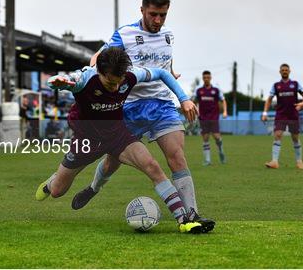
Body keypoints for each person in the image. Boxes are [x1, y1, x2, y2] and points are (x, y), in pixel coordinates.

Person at [35, 47, 214, 233]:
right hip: (87, 139)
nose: (115, 87)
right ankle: (51, 182)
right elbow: (59, 81)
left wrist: (183, 98)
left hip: (117, 134)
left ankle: (184, 221)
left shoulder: (130, 75)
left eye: (118, 82)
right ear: (99, 71)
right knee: (58, 191)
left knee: (152, 166)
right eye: (110, 83)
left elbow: (161, 73)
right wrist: (58, 82)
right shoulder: (85, 78)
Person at [74, 0, 207, 222]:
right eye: (153, 14)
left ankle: (192, 215)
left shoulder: (168, 35)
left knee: (177, 156)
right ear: (142, 10)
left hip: (162, 106)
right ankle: (94, 188)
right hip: (129, 107)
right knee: (111, 162)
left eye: (163, 15)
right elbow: (101, 57)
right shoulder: (125, 34)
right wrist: (90, 71)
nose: (158, 20)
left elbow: (165, 62)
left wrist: (173, 75)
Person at [261, 63, 303, 169]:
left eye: (286, 70)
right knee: (277, 135)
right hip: (281, 115)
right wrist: (264, 113)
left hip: (293, 115)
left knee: (295, 138)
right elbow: (269, 100)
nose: (284, 71)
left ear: (289, 71)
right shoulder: (276, 85)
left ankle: (299, 161)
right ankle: (274, 162)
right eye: (283, 70)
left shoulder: (295, 84)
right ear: (280, 72)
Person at [195, 70, 228, 166]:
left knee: (216, 137)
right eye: (204, 77)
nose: (206, 79)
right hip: (203, 117)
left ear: (210, 78)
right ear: (202, 78)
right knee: (205, 138)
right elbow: (194, 101)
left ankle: (221, 151)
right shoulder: (199, 91)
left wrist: (225, 111)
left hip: (214, 116)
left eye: (208, 77)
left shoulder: (216, 90)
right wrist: (194, 111)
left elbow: (223, 100)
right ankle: (207, 160)